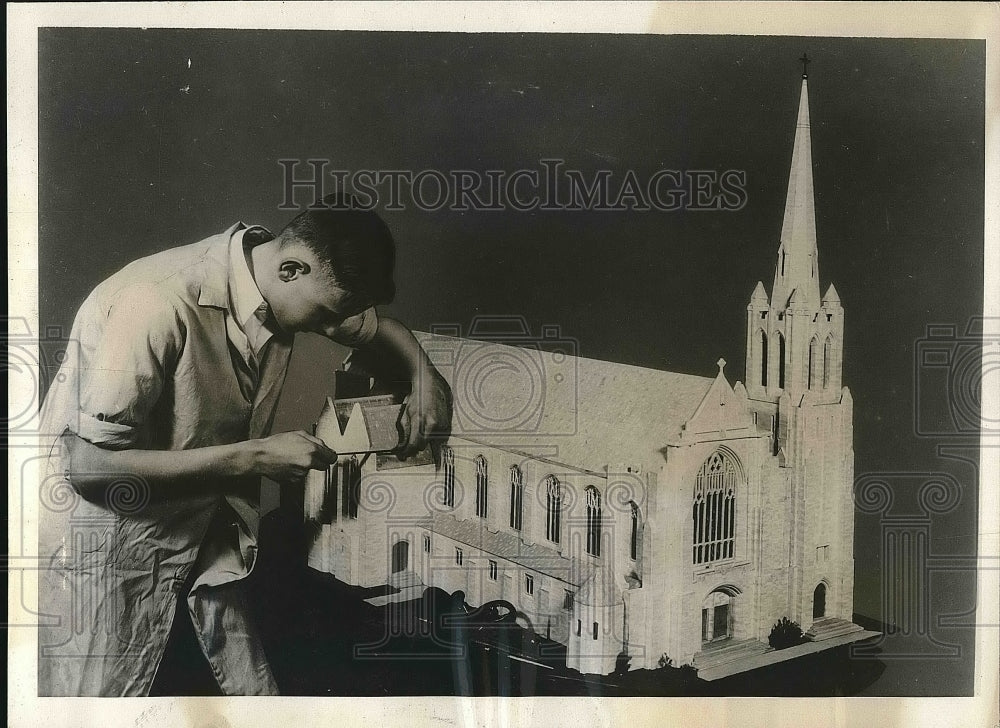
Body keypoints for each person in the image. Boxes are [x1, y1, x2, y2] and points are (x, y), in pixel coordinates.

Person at [36, 197, 452, 696]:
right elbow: (84, 468)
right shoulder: (155, 302)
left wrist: (424, 378)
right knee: (103, 699)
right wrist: (255, 456)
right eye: (325, 316)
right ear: (293, 268)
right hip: (104, 550)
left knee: (245, 694)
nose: (330, 330)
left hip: (202, 540)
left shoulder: (283, 279)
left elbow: (378, 327)